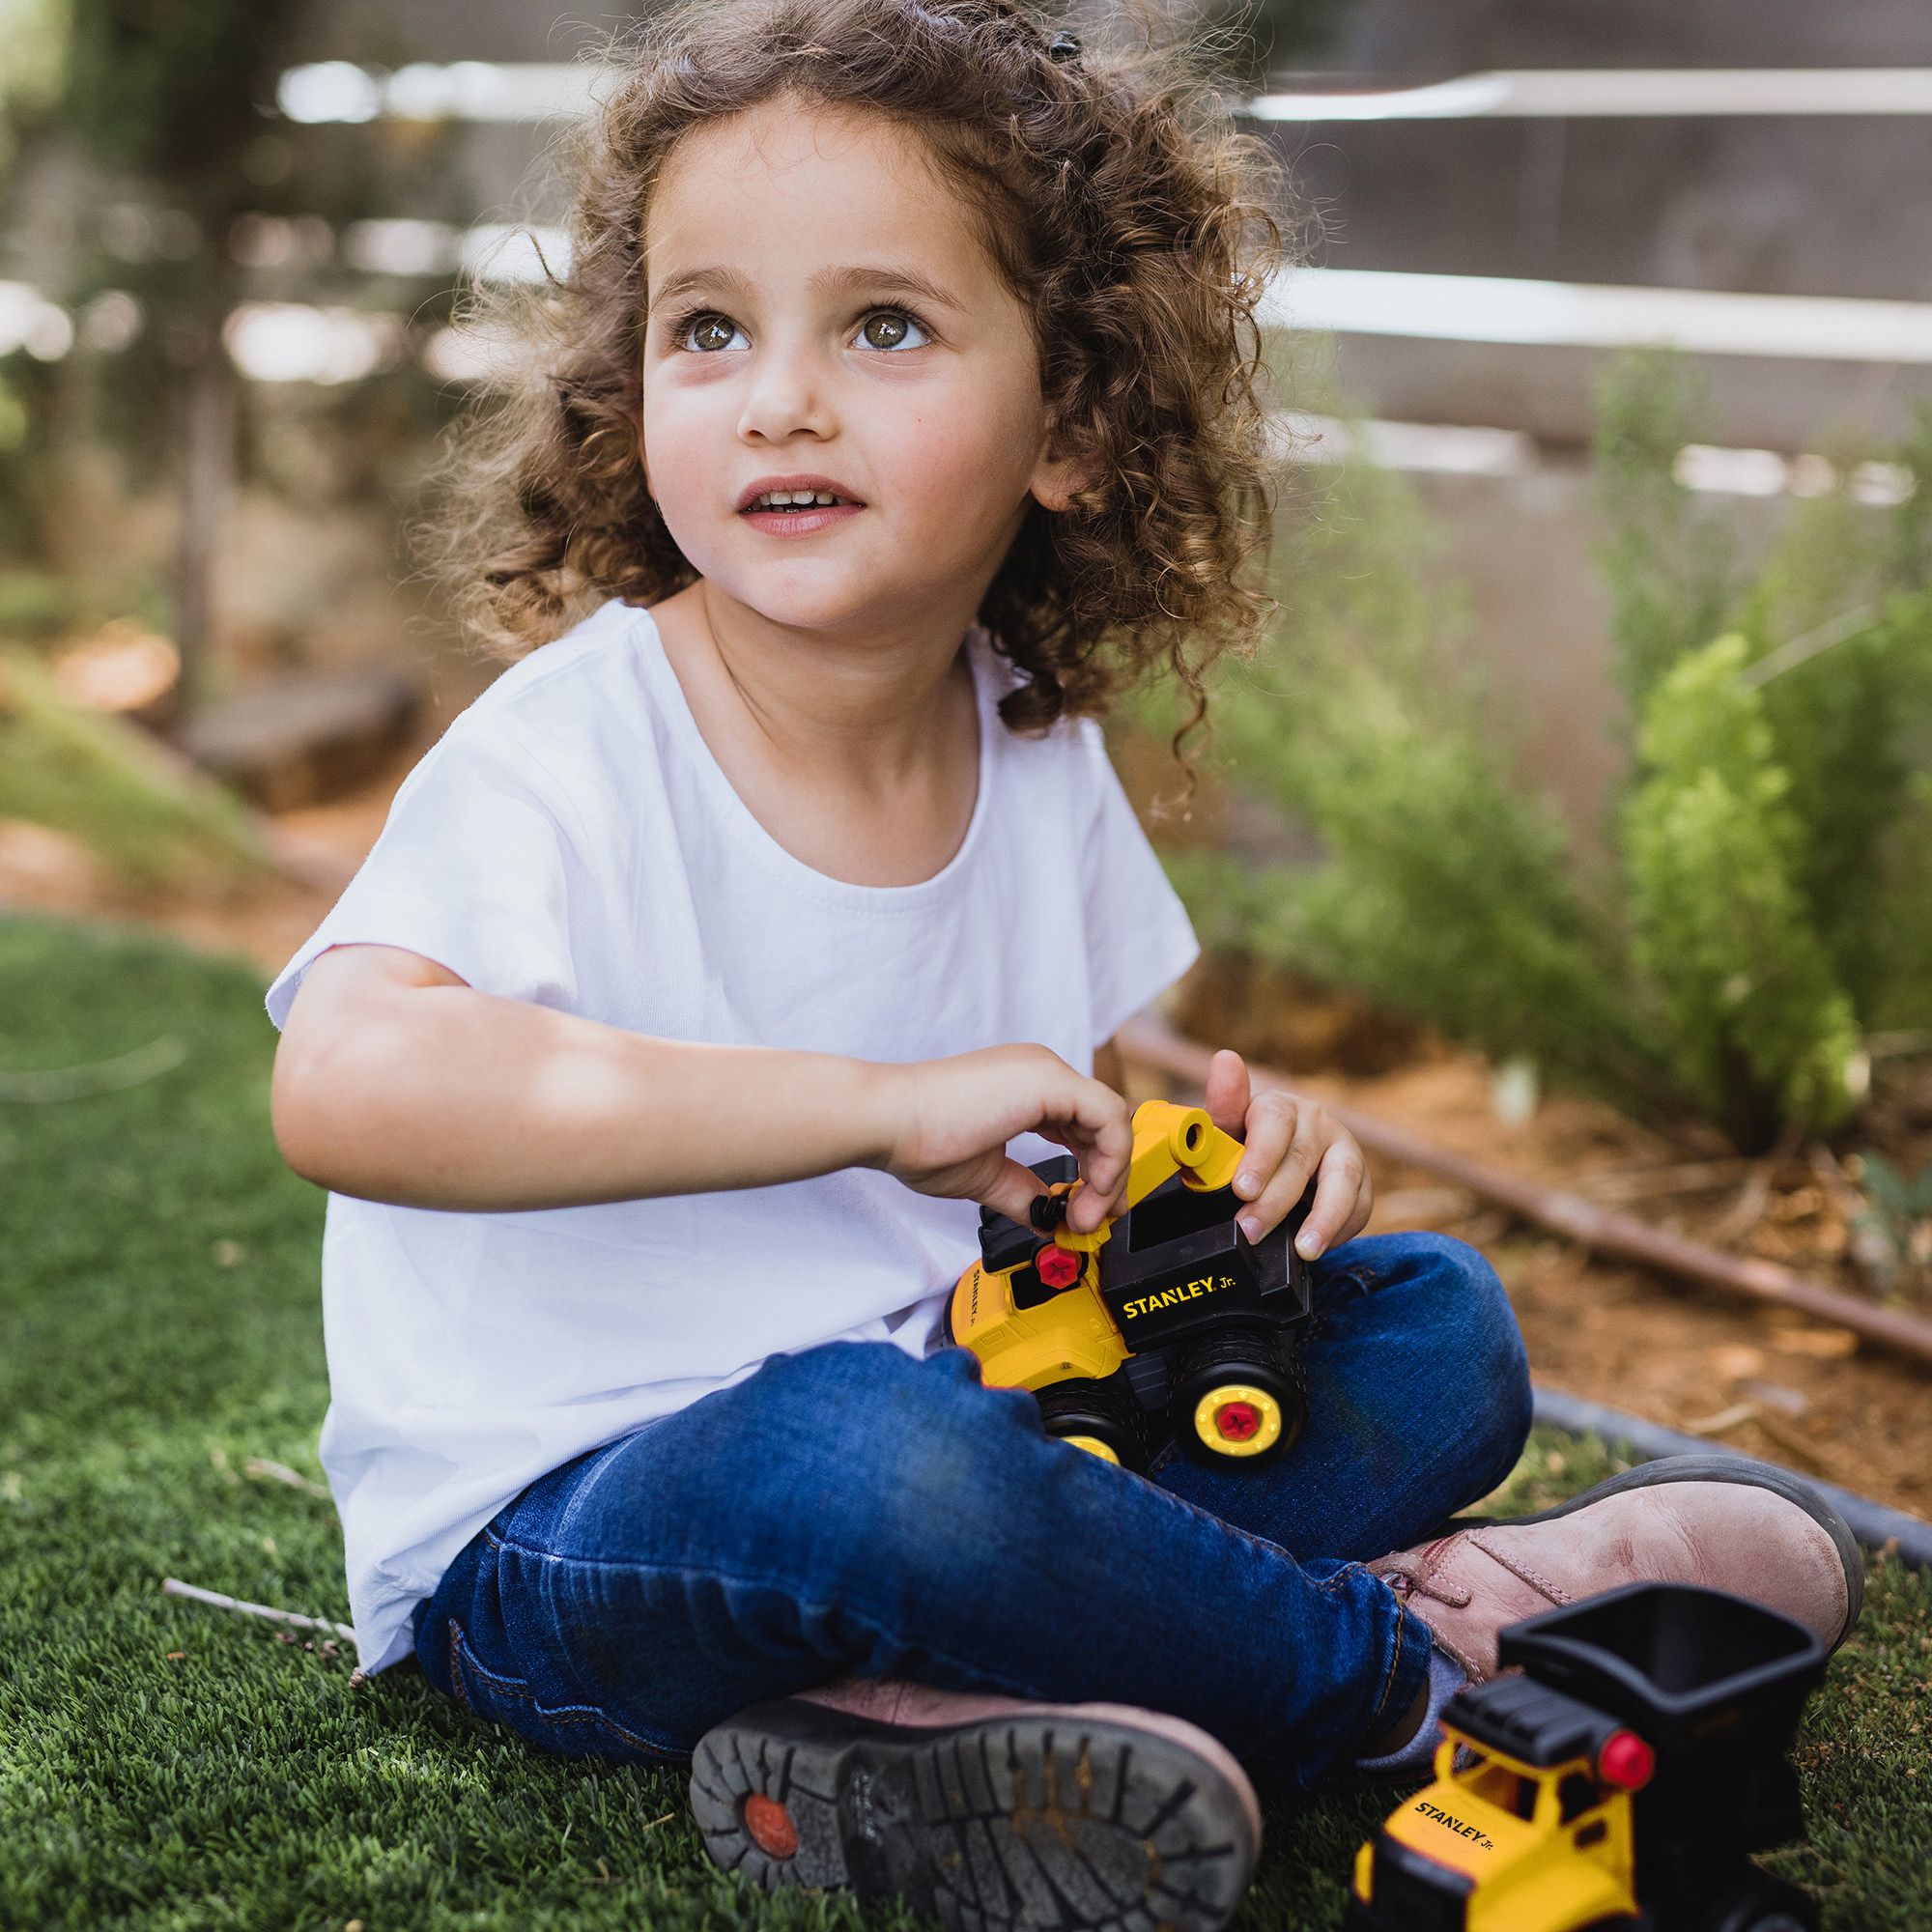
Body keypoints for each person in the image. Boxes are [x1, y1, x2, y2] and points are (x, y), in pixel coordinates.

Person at [264, 3, 1864, 1927]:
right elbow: (345, 1084)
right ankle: (1409, 1682)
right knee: (864, 1461)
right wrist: (876, 1110)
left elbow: (1089, 1130)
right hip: (574, 1542)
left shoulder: (1024, 735)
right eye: (709, 327)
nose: (777, 396)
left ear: (1080, 428)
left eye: (881, 326)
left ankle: (926, 1720)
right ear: (628, 389)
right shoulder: (574, 744)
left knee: (1437, 1320)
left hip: (970, 1409)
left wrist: (1240, 1172)